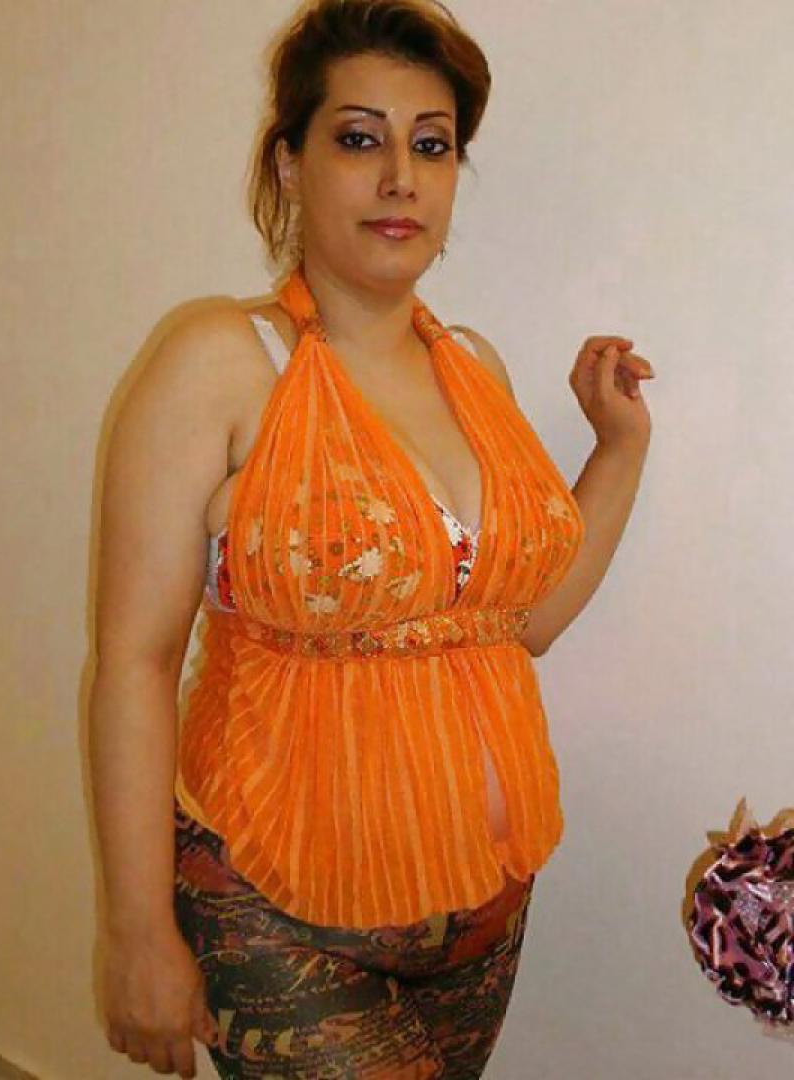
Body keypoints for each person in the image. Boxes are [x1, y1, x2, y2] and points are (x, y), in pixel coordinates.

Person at [88, 1, 654, 1077]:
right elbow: (133, 662)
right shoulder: (219, 359)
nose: (401, 178)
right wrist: (135, 929)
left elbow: (523, 625)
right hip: (277, 908)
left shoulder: (473, 366)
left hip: (488, 906)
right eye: (359, 138)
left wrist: (619, 448)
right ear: (291, 164)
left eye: (431, 146)